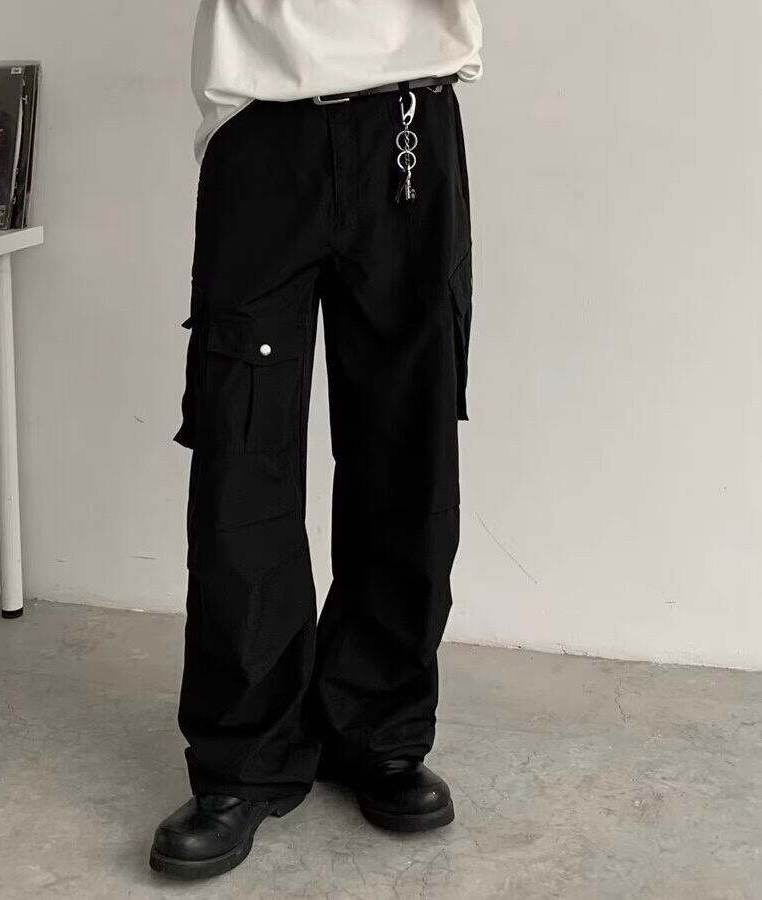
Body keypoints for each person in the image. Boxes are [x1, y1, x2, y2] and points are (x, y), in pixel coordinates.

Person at [151, 0, 483, 879]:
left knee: (406, 450)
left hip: (409, 125)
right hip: (263, 131)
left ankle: (380, 728)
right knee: (241, 456)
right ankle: (243, 758)